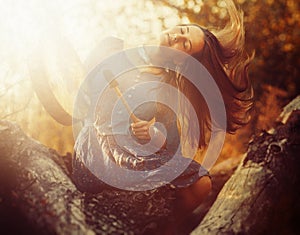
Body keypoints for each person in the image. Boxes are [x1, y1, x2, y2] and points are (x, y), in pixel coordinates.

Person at [72, 0, 254, 232]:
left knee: (200, 183)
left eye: (185, 44)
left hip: (129, 158)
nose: (176, 37)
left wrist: (153, 134)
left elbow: (170, 148)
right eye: (182, 31)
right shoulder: (113, 49)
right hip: (94, 150)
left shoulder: (165, 93)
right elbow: (81, 97)